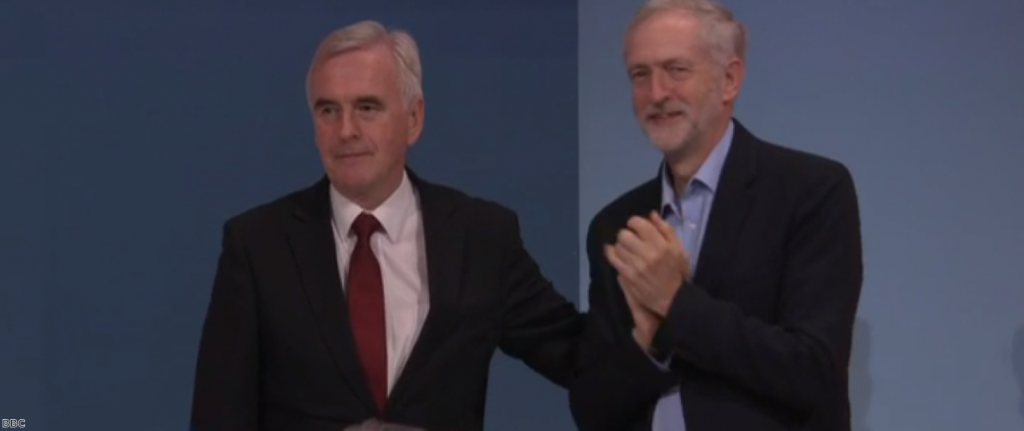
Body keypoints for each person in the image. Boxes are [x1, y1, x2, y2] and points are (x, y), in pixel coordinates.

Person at [189, 20, 582, 431]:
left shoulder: (480, 237)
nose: (346, 130)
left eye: (367, 107)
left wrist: (652, 323)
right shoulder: (257, 246)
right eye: (328, 110)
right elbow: (217, 419)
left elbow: (581, 360)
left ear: (414, 119)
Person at [568, 1, 864, 430]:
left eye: (676, 70)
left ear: (730, 79)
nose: (656, 93)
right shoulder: (616, 225)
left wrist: (675, 303)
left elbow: (813, 369)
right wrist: (646, 344)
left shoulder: (810, 191)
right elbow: (592, 410)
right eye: (640, 75)